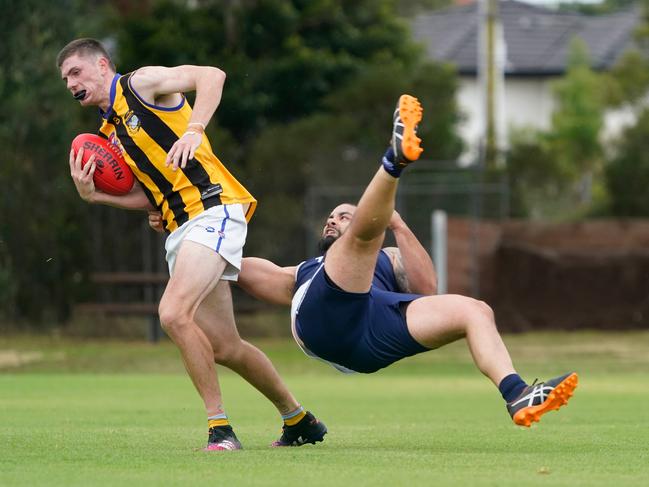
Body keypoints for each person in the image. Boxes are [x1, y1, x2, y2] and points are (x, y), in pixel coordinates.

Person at [234, 94, 579, 427]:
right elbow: (247, 271)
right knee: (364, 240)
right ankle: (393, 161)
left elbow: (427, 290)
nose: (332, 220)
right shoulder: (307, 272)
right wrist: (213, 252)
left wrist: (396, 222)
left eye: (343, 216)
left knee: (475, 311)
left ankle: (516, 394)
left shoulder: (389, 255)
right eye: (331, 217)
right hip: (325, 328)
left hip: (371, 338)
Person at [58, 38, 326, 450]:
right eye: (65, 79)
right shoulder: (109, 131)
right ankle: (299, 420)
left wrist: (195, 130)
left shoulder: (141, 84)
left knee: (172, 312)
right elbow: (152, 192)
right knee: (225, 346)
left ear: (102, 65)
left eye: (76, 72)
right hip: (181, 228)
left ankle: (220, 430)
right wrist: (96, 196)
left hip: (213, 210)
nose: (71, 83)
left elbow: (211, 76)